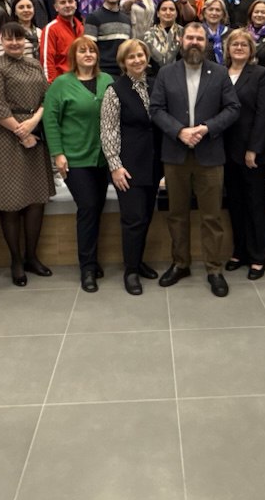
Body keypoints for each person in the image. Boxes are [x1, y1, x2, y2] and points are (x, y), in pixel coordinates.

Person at [150, 22, 241, 297]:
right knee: (177, 215)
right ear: (181, 40)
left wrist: (207, 128)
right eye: (189, 37)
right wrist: (179, 131)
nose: (194, 42)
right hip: (175, 155)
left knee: (212, 216)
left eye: (199, 38)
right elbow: (156, 109)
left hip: (210, 155)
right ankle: (180, 263)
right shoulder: (166, 73)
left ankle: (214, 269)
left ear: (206, 43)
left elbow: (233, 108)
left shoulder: (219, 72)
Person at [0, 22, 55, 286]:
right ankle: (15, 260)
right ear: (1, 41)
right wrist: (21, 132)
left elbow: (47, 97)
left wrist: (33, 123)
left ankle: (31, 256)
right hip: (6, 137)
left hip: (34, 133)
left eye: (19, 38)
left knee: (36, 200)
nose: (14, 43)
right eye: (9, 39)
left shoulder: (34, 64)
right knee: (11, 203)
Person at [43, 36, 113, 293]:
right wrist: (58, 153)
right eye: (82, 51)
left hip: (103, 158)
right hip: (74, 159)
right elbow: (50, 120)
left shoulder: (107, 81)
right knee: (88, 207)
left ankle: (93, 259)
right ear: (74, 56)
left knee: (97, 208)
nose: (88, 54)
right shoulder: (61, 84)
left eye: (92, 50)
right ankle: (87, 268)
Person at [100, 39, 162, 295]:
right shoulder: (115, 90)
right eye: (131, 57)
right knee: (133, 219)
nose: (137, 60)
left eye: (140, 55)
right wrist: (115, 165)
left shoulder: (156, 85)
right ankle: (131, 271)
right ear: (123, 63)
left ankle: (138, 261)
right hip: (128, 166)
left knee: (146, 216)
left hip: (153, 164)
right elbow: (108, 130)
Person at [220, 30, 265, 280]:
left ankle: (258, 256)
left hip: (251, 151)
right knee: (235, 203)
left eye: (244, 44)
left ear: (251, 49)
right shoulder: (220, 74)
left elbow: (264, 114)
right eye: (235, 44)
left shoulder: (261, 74)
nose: (239, 47)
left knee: (254, 204)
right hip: (224, 151)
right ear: (227, 49)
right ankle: (239, 251)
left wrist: (254, 148)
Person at [85, 0, 133, 76]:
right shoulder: (93, 18)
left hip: (123, 73)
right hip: (102, 74)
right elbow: (88, 50)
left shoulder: (127, 20)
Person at [41, 0, 84, 82]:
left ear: (75, 4)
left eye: (70, 1)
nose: (67, 5)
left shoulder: (81, 28)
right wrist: (53, 85)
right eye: (63, 2)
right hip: (62, 83)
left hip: (81, 80)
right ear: (56, 7)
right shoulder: (51, 29)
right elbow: (47, 61)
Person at [144, 0, 183, 70]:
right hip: (157, 74)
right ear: (158, 14)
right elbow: (164, 61)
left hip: (181, 73)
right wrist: (177, 44)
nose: (168, 12)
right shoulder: (149, 34)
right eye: (164, 9)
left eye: (171, 9)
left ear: (176, 14)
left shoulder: (184, 32)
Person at [11, 0, 42, 64]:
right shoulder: (9, 32)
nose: (26, 10)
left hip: (39, 68)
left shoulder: (39, 32)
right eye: (21, 7)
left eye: (29, 7)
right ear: (15, 12)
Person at [199, 0, 228, 64]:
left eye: (218, 10)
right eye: (210, 9)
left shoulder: (231, 34)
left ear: (223, 14)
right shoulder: (197, 32)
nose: (214, 13)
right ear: (204, 12)